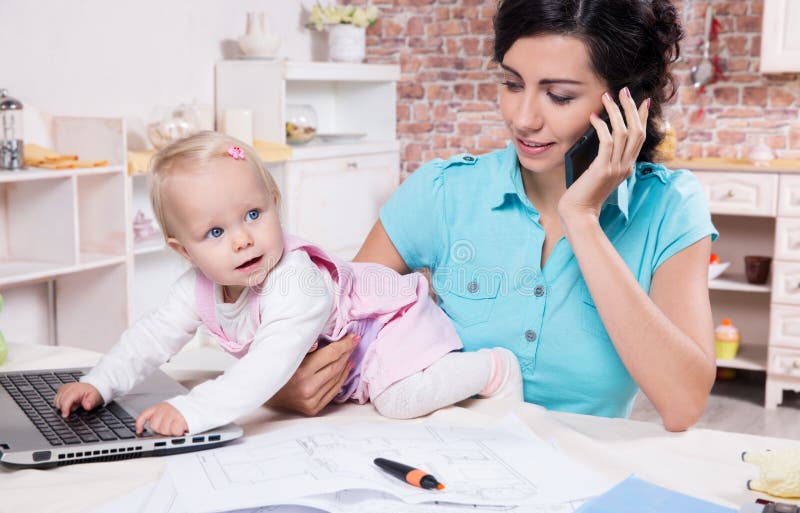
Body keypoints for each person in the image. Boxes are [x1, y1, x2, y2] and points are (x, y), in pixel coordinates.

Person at [271, 0, 718, 432]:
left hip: (584, 479)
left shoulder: (669, 209)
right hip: (440, 464)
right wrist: (281, 386)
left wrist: (581, 217)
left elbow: (682, 406)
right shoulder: (443, 192)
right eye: (512, 84)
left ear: (627, 104)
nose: (522, 118)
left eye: (559, 96)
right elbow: (335, 331)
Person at [53, 132, 522, 437]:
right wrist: (101, 382)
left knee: (397, 402)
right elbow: (149, 339)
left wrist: (194, 411)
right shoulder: (193, 290)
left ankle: (492, 368)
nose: (242, 239)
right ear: (183, 250)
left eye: (254, 215)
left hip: (388, 326)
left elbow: (270, 363)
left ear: (275, 203)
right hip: (344, 356)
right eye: (215, 233)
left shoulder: (294, 279)